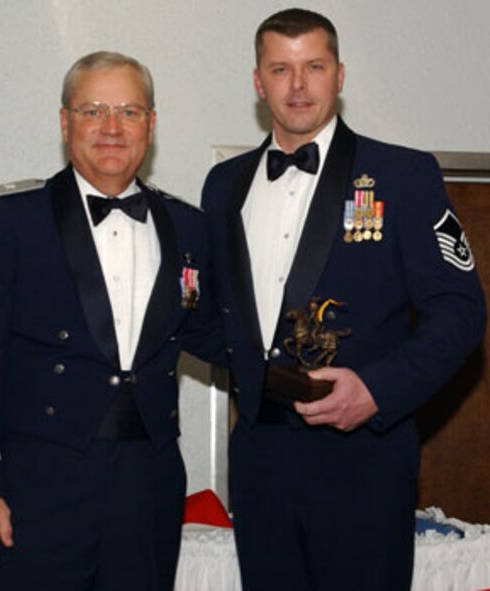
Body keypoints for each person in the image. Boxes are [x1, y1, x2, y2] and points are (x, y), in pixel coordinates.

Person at [202, 8, 486, 591]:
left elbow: (460, 310)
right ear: (258, 82)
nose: (298, 85)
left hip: (364, 458)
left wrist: (379, 390)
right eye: (281, 69)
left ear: (340, 75)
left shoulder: (403, 175)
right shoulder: (222, 184)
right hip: (258, 458)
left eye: (314, 67)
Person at [0, 50, 221, 591]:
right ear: (65, 121)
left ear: (151, 124)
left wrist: (307, 368)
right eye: (93, 111)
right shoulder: (10, 218)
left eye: (129, 112)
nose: (112, 128)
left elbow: (211, 334)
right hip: (34, 492)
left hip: (147, 490)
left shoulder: (189, 228)